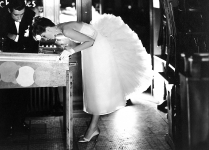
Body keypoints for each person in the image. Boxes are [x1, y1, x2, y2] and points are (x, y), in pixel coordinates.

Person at [31, 13, 153, 143]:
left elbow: (90, 41)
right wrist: (69, 49)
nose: (46, 38)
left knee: (98, 87)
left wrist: (71, 51)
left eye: (44, 35)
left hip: (98, 50)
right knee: (96, 87)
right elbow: (86, 39)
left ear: (48, 28)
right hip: (94, 50)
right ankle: (93, 127)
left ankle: (92, 128)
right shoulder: (62, 27)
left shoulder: (65, 30)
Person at [0, 0, 37, 136]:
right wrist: (11, 35)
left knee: (23, 93)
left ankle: (20, 122)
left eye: (22, 14)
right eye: (16, 15)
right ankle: (7, 124)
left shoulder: (31, 16)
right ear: (9, 10)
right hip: (7, 60)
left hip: (25, 59)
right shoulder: (2, 16)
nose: (20, 18)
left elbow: (34, 40)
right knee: (7, 93)